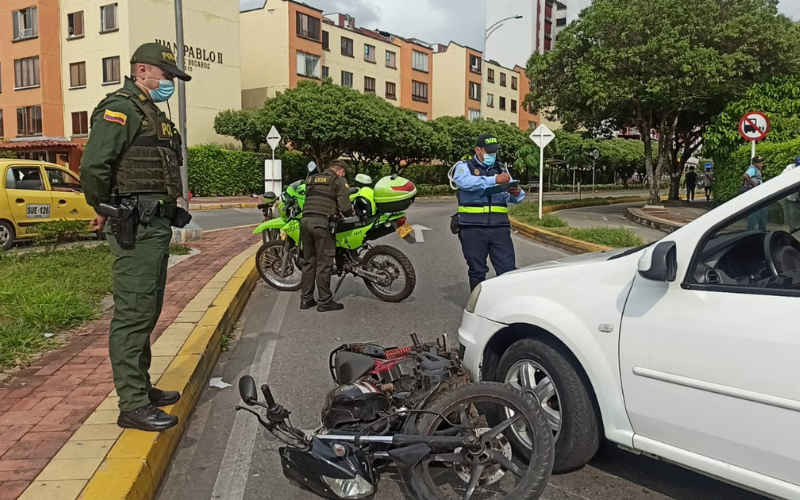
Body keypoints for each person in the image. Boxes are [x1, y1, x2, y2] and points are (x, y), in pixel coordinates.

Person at [81, 43, 191, 432]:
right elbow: (95, 165)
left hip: (154, 225)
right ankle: (131, 404)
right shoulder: (121, 107)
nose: (170, 83)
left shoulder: (149, 110)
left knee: (147, 309)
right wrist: (102, 205)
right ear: (142, 70)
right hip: (135, 225)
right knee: (133, 313)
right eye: (166, 76)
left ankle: (141, 388)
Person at [453, 134, 525, 291]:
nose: (492, 155)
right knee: (477, 270)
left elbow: (513, 196)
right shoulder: (464, 166)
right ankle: (478, 306)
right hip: (472, 227)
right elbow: (465, 183)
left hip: (499, 228)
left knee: (507, 269)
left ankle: (507, 305)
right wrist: (494, 180)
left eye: (494, 152)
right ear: (478, 150)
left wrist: (517, 192)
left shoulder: (501, 169)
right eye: (489, 151)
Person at [300, 160, 353, 312]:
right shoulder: (338, 180)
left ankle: (306, 299)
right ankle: (325, 301)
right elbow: (345, 207)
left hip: (305, 222)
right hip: (322, 225)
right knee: (324, 262)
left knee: (309, 262)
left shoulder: (311, 179)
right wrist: (349, 213)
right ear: (341, 171)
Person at [743, 156, 768, 231]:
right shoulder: (753, 169)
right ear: (754, 163)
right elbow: (745, 175)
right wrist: (754, 185)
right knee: (756, 213)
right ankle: (751, 230)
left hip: (757, 194)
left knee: (763, 212)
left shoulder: (755, 169)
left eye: (761, 163)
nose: (761, 164)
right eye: (759, 163)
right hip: (754, 194)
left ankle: (761, 229)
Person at [781, 157, 800, 232]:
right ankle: (793, 230)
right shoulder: (789, 168)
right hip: (792, 196)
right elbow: (781, 178)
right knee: (791, 214)